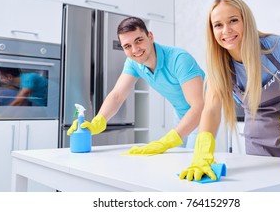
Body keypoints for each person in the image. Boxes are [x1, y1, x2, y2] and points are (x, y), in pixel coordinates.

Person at [179, 0, 280, 181]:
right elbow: (211, 109)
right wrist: (202, 154)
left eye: (233, 21)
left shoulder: (276, 47)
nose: (227, 30)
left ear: (246, 20)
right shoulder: (219, 65)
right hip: (258, 145)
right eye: (218, 25)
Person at [67, 17, 205, 153]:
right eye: (127, 46)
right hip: (181, 115)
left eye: (138, 40)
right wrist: (98, 122)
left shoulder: (179, 59)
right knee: (178, 162)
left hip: (205, 114)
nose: (135, 50)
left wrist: (165, 142)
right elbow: (117, 96)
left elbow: (199, 106)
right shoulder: (133, 63)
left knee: (192, 162)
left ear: (150, 37)